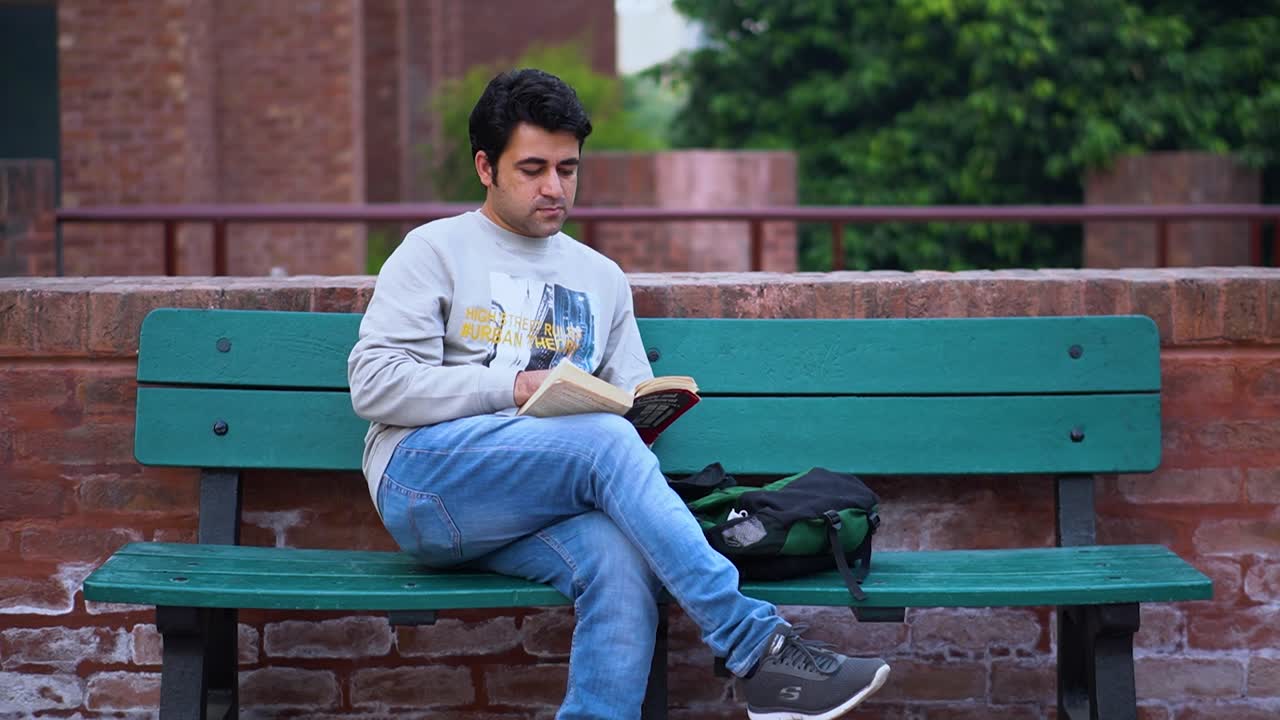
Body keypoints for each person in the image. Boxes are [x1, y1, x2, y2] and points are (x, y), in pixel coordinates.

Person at [347, 68, 890, 720]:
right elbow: (374, 384)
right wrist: (511, 386)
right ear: (485, 167)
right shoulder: (435, 250)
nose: (555, 187)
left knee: (621, 556)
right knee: (601, 443)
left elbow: (628, 399)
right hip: (426, 483)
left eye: (568, 168)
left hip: (534, 501)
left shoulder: (600, 278)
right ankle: (757, 649)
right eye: (533, 168)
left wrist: (645, 411)